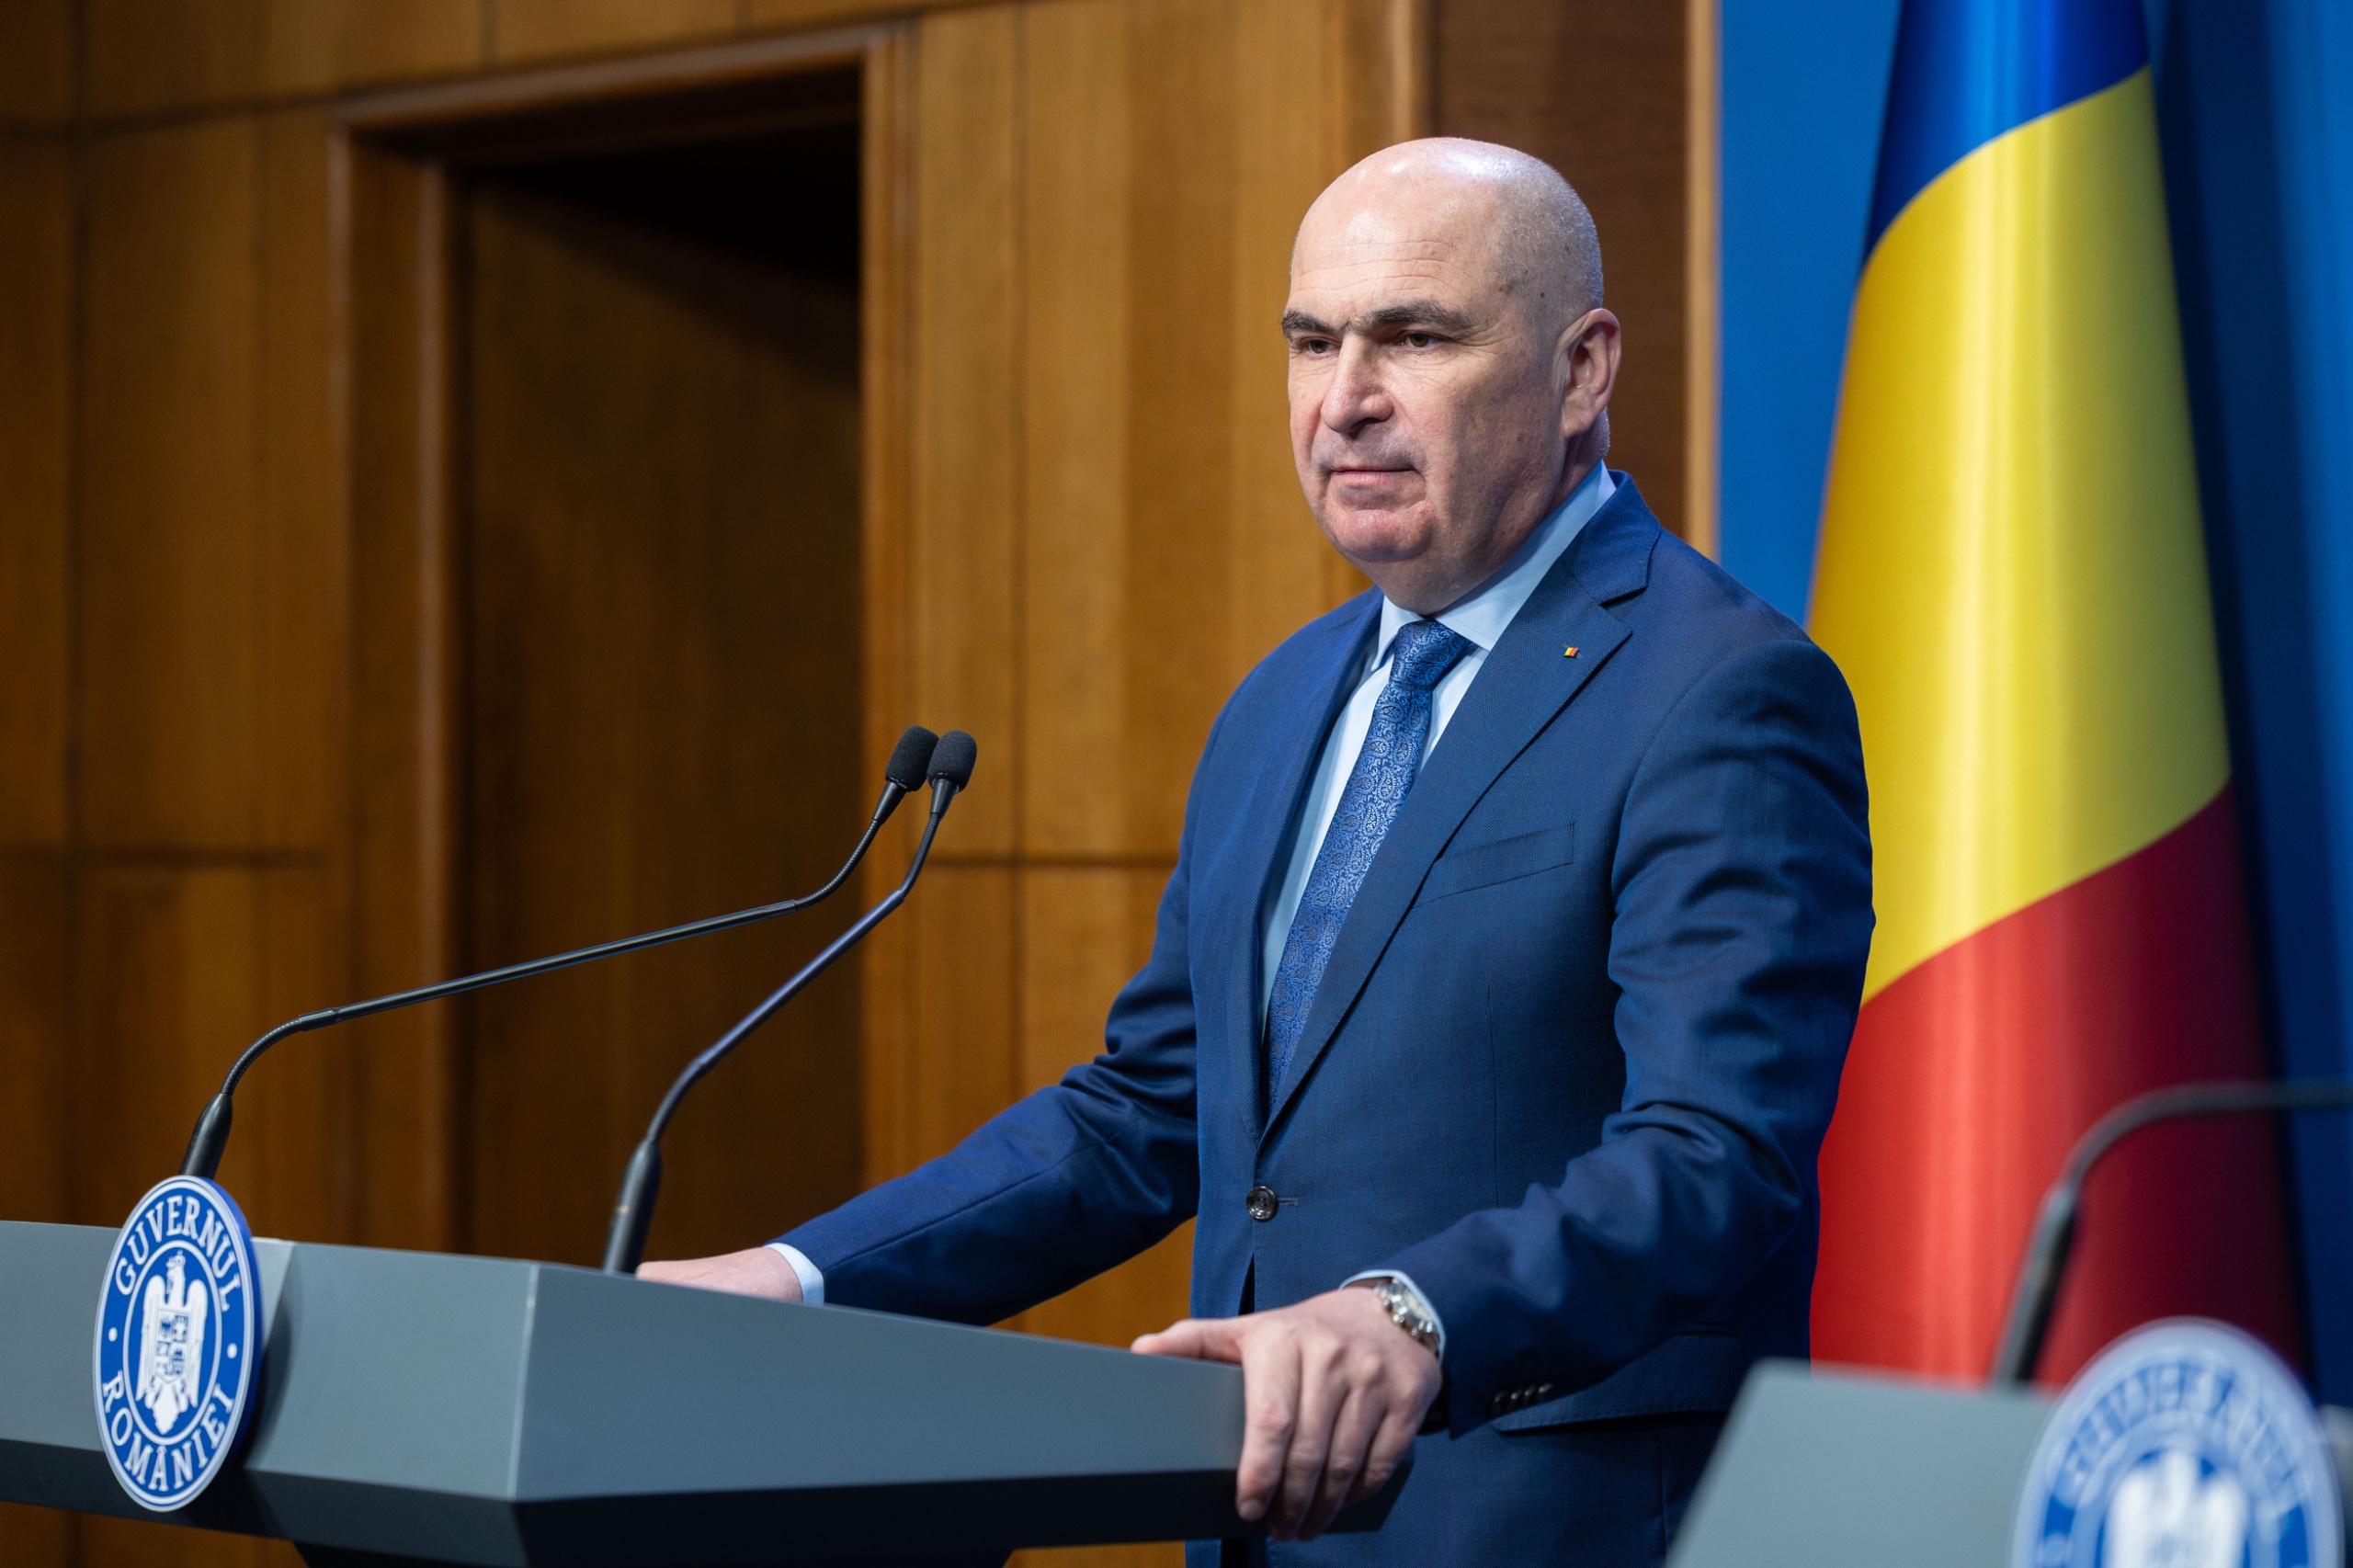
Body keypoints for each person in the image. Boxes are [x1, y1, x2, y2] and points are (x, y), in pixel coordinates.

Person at [642, 137, 1873, 1565]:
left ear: (1581, 369)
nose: (1345, 399)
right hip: (1249, 1517)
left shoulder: (1717, 688)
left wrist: (1415, 1313)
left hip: (1546, 1525)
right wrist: (804, 1280)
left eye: (1416, 338)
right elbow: (1149, 1111)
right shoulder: (1285, 698)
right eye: (1312, 341)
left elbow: (1716, 1152)